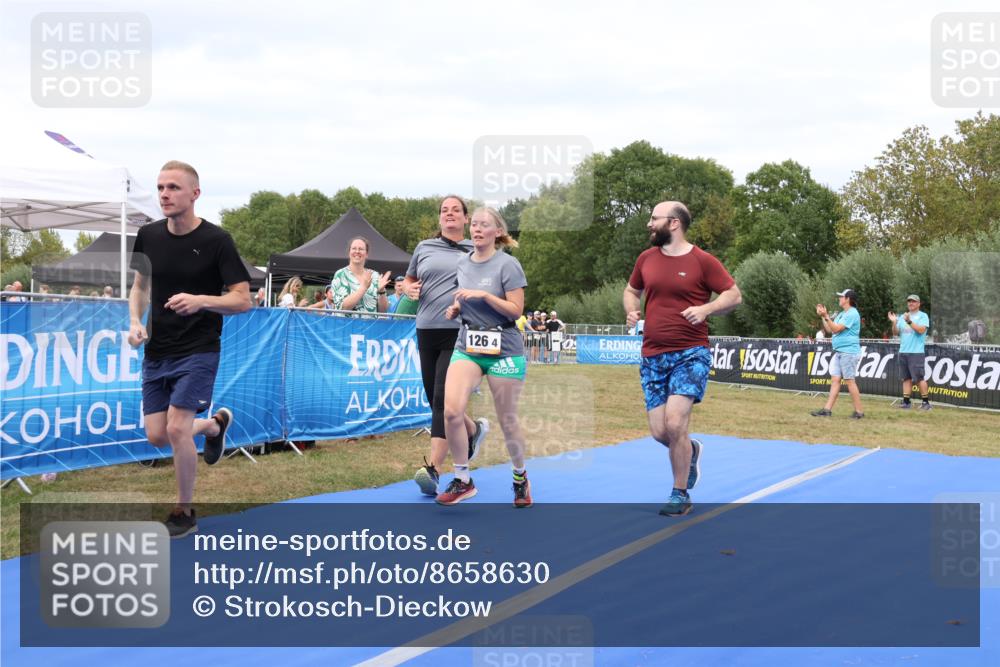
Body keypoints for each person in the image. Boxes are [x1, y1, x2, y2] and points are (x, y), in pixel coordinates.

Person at [127, 160, 251, 538]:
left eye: (173, 188)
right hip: (158, 349)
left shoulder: (217, 241)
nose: (165, 194)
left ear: (195, 194)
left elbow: (243, 300)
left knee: (178, 428)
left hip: (199, 348)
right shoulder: (147, 235)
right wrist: (134, 321)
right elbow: (140, 287)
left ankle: (184, 511)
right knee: (156, 435)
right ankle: (214, 427)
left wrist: (201, 300)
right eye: (161, 187)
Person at [623, 201, 741, 517]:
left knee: (676, 423)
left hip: (691, 353)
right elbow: (631, 291)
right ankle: (690, 450)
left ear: (673, 223)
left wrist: (706, 309)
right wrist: (630, 310)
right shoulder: (646, 259)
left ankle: (680, 493)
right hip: (652, 356)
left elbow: (733, 294)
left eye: (653, 219)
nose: (649, 224)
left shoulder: (702, 260)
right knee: (661, 432)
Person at [438, 207, 530, 507]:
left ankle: (520, 477)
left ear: (497, 232)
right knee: (451, 410)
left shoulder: (508, 265)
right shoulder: (462, 263)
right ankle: (463, 479)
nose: (476, 229)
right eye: (474, 224)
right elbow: (461, 297)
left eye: (484, 225)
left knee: (507, 420)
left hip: (504, 347)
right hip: (469, 345)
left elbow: (516, 310)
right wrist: (456, 309)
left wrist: (486, 297)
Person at [405, 196, 488, 496]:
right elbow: (409, 279)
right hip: (426, 329)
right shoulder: (424, 247)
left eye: (456, 210)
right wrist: (407, 287)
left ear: (465, 219)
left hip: (460, 332)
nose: (449, 214)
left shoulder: (476, 250)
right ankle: (473, 429)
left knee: (441, 396)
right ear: (439, 219)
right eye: (444, 211)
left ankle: (434, 470)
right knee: (435, 400)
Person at [812, 289, 864, 420]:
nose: (839, 298)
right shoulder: (842, 314)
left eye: (841, 296)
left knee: (850, 381)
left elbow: (835, 329)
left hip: (849, 352)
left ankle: (859, 412)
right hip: (840, 351)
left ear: (848, 299)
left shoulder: (852, 313)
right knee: (835, 380)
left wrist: (827, 316)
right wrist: (824, 316)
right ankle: (827, 410)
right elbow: (830, 329)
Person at [889, 294, 931, 410]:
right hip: (903, 351)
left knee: (918, 378)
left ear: (918, 303)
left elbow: (921, 331)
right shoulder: (903, 316)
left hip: (916, 353)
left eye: (913, 301)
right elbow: (895, 333)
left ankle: (926, 403)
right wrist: (894, 322)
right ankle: (906, 403)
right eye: (909, 301)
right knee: (906, 378)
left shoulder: (923, 316)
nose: (910, 303)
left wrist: (909, 321)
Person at [331, 237, 392, 313]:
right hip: (347, 324)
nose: (357, 251)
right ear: (349, 252)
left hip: (370, 324)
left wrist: (382, 291)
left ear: (366, 254)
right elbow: (343, 307)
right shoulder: (340, 275)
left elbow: (383, 310)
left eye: (361, 249)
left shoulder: (374, 275)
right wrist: (363, 288)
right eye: (354, 248)